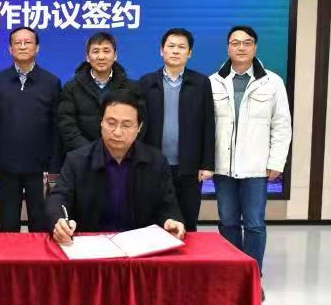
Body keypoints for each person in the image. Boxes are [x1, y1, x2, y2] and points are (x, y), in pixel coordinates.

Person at [47, 90, 186, 244]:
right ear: (101, 122)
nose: (117, 132)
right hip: (92, 246)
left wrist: (171, 220)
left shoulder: (156, 162)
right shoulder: (77, 161)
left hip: (139, 247)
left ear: (139, 127)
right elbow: (59, 199)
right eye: (111, 123)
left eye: (126, 125)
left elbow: (167, 206)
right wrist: (59, 221)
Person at [210, 25, 291, 284]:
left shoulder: (272, 82)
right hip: (223, 167)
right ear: (228, 48)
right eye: (235, 43)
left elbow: (281, 124)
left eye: (247, 43)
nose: (241, 47)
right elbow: (206, 127)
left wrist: (277, 161)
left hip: (256, 167)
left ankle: (253, 275)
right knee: (228, 222)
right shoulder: (213, 82)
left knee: (255, 223)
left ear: (255, 47)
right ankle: (232, 274)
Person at [0, 26, 62, 232]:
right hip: (6, 166)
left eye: (28, 42)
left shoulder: (51, 82)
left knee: (40, 220)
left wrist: (54, 167)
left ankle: (39, 254)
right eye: (17, 43)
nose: (22, 46)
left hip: (39, 167)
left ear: (37, 48)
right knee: (8, 221)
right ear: (10, 49)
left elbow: (56, 128)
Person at [138, 28, 215, 232]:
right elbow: (139, 126)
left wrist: (207, 164)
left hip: (189, 167)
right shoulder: (146, 83)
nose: (175, 51)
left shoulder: (201, 83)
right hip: (154, 164)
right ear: (161, 51)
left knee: (187, 221)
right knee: (153, 221)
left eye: (181, 47)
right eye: (170, 46)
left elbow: (208, 124)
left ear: (189, 53)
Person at [57, 32, 142, 153]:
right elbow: (67, 126)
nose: (101, 57)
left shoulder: (132, 88)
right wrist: (92, 152)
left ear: (115, 55)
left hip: (122, 156)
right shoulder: (71, 88)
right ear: (87, 57)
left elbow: (140, 124)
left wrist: (119, 150)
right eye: (95, 51)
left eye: (106, 51)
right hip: (83, 157)